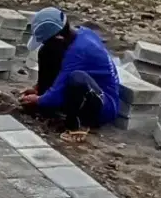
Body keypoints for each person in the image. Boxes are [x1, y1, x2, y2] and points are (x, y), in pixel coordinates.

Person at [19, 7, 120, 136]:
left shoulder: (79, 52)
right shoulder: (79, 34)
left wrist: (38, 100)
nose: (46, 43)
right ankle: (46, 107)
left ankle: (77, 125)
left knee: (77, 78)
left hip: (103, 105)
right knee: (47, 51)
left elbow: (59, 88)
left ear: (59, 37)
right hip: (84, 91)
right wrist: (38, 90)